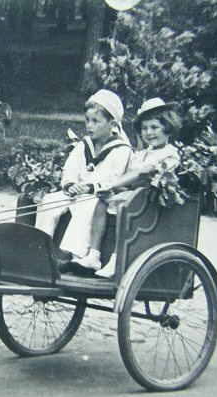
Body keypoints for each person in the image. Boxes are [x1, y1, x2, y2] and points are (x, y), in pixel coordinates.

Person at [75, 97, 183, 278]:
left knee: (124, 203)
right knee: (103, 201)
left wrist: (113, 184)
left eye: (154, 127)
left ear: (168, 126)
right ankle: (94, 254)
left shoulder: (169, 154)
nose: (149, 133)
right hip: (135, 194)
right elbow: (129, 174)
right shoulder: (142, 154)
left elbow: (144, 173)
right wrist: (111, 189)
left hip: (152, 200)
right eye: (145, 128)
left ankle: (118, 259)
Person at [34, 89, 133, 270]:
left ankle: (74, 256)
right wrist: (70, 185)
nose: (89, 126)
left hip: (101, 195)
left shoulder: (122, 150)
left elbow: (115, 180)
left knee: (87, 205)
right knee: (49, 201)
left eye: (96, 121)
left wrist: (89, 188)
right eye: (87, 120)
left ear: (112, 124)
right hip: (77, 193)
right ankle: (40, 251)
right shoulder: (84, 145)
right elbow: (70, 170)